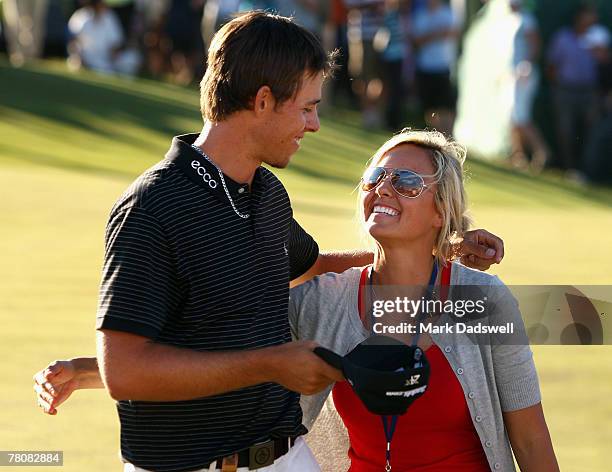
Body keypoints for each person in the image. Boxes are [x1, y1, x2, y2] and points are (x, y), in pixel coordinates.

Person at [33, 11, 504, 472]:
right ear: (262, 102)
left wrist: (437, 248)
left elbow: (314, 264)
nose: (315, 124)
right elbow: (127, 372)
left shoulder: (265, 192)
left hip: (286, 457)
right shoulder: (154, 206)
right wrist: (271, 365)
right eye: (307, 107)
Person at [291, 129, 560, 471]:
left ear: (441, 210)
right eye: (375, 178)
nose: (384, 188)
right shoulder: (321, 301)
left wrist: (442, 249)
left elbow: (531, 440)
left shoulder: (485, 299)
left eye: (406, 182)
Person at [547, 4, 600, 181]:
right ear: (578, 18)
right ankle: (569, 170)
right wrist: (558, 88)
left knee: (590, 132)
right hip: (565, 91)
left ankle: (586, 172)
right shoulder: (563, 37)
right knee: (565, 131)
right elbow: (552, 66)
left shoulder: (598, 38)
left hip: (589, 92)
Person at [507, 0, 549, 173]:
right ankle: (518, 156)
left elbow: (535, 43)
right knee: (512, 116)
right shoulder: (508, 20)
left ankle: (542, 152)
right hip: (512, 74)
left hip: (525, 74)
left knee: (521, 116)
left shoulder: (527, 19)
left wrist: (527, 63)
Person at [412, 0, 459, 136]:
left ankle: (448, 137)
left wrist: (432, 35)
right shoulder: (421, 15)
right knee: (430, 107)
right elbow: (416, 41)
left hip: (443, 66)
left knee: (446, 106)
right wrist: (436, 34)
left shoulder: (447, 13)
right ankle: (438, 137)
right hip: (425, 67)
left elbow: (454, 33)